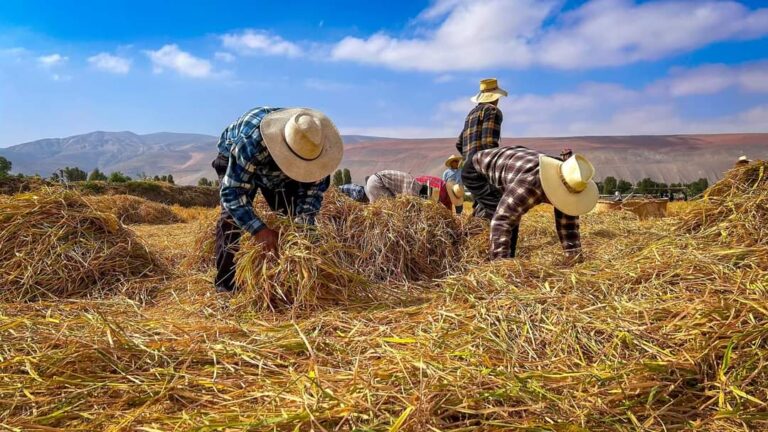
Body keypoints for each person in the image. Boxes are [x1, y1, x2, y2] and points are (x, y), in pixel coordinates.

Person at [212, 107, 343, 293]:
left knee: (288, 217)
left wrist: (302, 230)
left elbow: (311, 198)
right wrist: (259, 230)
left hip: (274, 167)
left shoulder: (317, 153)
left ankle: (284, 281)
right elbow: (233, 192)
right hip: (236, 158)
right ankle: (225, 286)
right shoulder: (251, 143)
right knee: (230, 219)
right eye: (295, 164)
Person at [462, 146, 599, 261]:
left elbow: (568, 227)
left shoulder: (571, 179)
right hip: (476, 170)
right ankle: (493, 257)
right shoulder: (532, 183)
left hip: (508, 168)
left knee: (503, 210)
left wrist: (574, 259)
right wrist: (501, 268)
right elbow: (502, 221)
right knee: (506, 216)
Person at [456, 78, 507, 212]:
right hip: (482, 167)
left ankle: (474, 231)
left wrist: (469, 159)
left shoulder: (471, 114)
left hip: (468, 170)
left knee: (481, 205)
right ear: (496, 97)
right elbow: (488, 143)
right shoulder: (493, 111)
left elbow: (459, 143)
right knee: (498, 207)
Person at [365, 170, 463, 210]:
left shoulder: (417, 185)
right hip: (377, 183)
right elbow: (408, 206)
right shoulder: (412, 190)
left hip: (376, 180)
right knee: (388, 210)